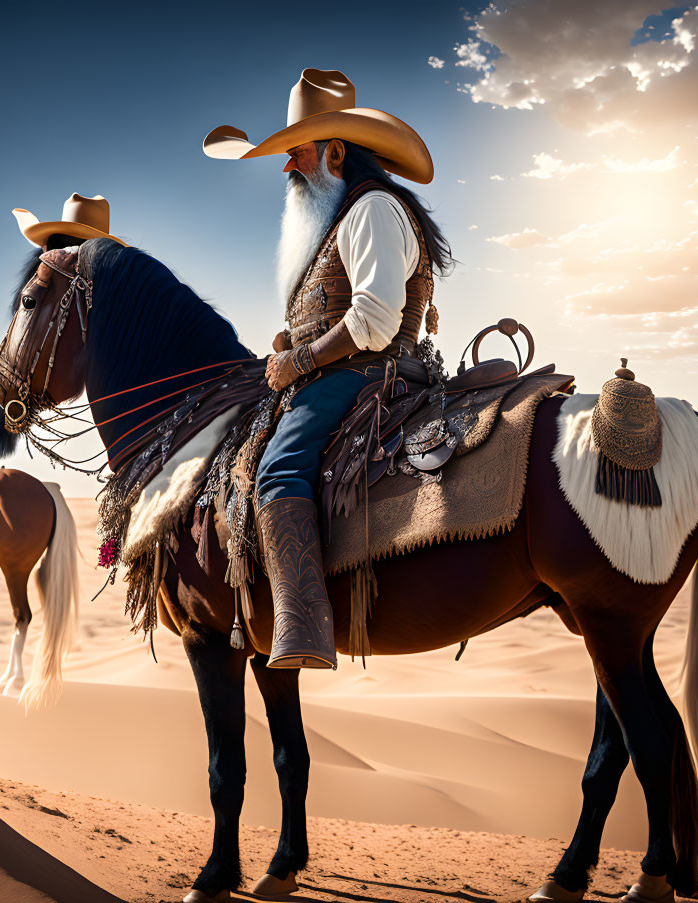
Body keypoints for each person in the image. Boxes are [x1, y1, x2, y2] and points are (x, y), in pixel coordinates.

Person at [203, 68, 452, 668]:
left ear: (336, 152)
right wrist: (296, 335)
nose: (287, 168)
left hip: (365, 374)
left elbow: (373, 319)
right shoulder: (351, 216)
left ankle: (304, 628)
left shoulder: (372, 209)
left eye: (296, 153)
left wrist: (299, 360)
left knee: (279, 469)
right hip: (346, 370)